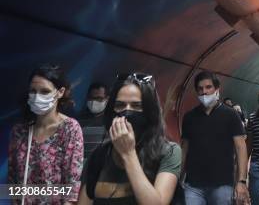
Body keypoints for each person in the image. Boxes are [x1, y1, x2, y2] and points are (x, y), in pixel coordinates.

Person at [77, 73, 181, 205]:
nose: (127, 112)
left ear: (149, 111)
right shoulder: (100, 155)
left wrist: (128, 153)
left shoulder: (168, 152)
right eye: (120, 105)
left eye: (137, 106)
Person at [8, 64, 84, 204]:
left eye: (44, 91)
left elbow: (72, 188)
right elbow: (13, 180)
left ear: (60, 92)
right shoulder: (19, 131)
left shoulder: (70, 129)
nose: (37, 97)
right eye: (33, 91)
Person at [181, 71, 249, 205]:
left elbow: (241, 148)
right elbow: (184, 149)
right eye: (200, 89)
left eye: (208, 87)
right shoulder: (189, 117)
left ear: (217, 89)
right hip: (193, 185)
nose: (204, 92)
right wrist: (178, 178)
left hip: (222, 184)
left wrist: (241, 181)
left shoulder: (231, 115)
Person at [78, 82, 109, 161]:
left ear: (107, 99)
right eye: (91, 98)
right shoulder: (78, 121)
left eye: (99, 98)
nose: (94, 101)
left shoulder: (111, 120)